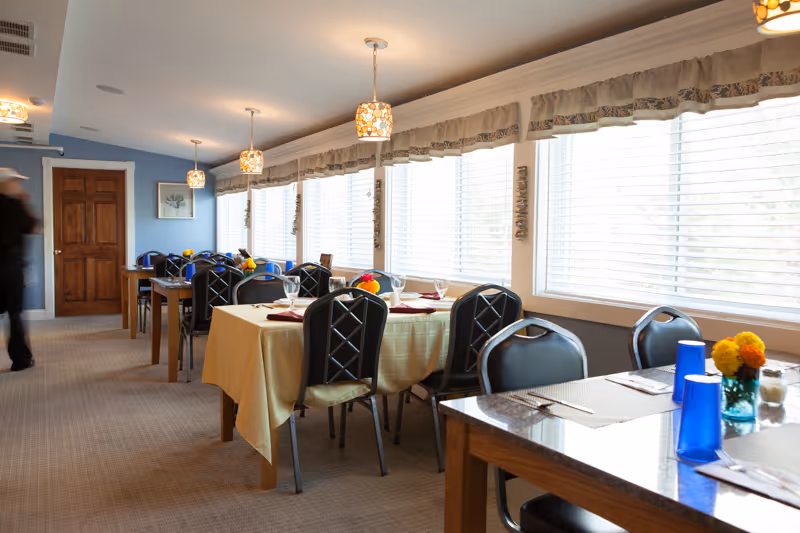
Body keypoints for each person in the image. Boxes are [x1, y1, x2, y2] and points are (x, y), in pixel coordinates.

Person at [0, 168, 37, 371]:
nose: (18, 185)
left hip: (9, 264)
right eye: (15, 181)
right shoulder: (15, 205)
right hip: (10, 266)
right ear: (5, 183)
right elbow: (33, 227)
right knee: (15, 314)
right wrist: (24, 202)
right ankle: (20, 360)